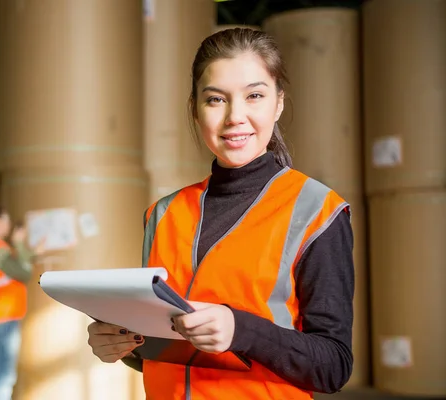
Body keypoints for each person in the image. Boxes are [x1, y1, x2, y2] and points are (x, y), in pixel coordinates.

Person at [86, 27, 355, 399]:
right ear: (195, 109)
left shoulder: (316, 211)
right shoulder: (162, 214)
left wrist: (240, 329)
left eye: (254, 96)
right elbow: (170, 348)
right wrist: (125, 346)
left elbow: (333, 367)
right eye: (216, 100)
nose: (235, 116)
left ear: (278, 103)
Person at [0, 205, 48, 400]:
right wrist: (19, 243)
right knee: (3, 376)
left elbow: (8, 266)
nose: (9, 224)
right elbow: (23, 272)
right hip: (2, 314)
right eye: (6, 220)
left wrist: (31, 252)